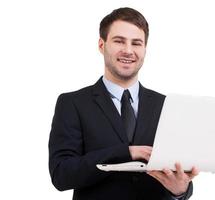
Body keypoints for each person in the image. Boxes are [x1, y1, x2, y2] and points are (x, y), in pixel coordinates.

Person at [48, 7, 199, 200]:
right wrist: (125, 153)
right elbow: (61, 174)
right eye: (119, 41)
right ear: (101, 45)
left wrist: (181, 190)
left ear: (145, 49)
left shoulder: (166, 105)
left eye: (136, 43)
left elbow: (180, 174)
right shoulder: (73, 103)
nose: (128, 50)